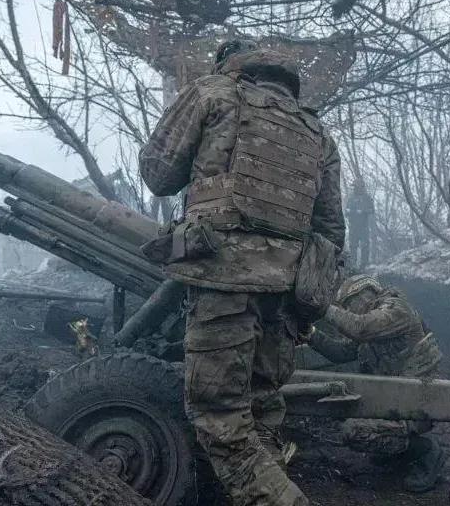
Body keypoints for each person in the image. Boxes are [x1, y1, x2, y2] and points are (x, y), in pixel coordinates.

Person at [139, 40, 345, 506]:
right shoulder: (317, 131)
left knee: (219, 413)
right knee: (262, 406)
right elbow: (331, 227)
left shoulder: (212, 93)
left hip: (223, 277)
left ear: (232, 67)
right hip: (286, 289)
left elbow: (159, 174)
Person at [307, 274, 445, 493]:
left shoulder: (396, 309)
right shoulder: (374, 322)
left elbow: (360, 328)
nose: (349, 310)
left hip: (419, 403)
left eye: (349, 304)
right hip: (397, 399)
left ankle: (426, 451)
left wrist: (322, 308)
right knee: (350, 418)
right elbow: (342, 352)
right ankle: (399, 450)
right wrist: (311, 334)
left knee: (355, 432)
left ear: (366, 294)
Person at [346, 179, 375, 268]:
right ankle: (352, 265)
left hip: (363, 227)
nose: (354, 188)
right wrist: (349, 212)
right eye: (354, 187)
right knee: (353, 246)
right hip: (353, 226)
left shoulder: (367, 198)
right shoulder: (351, 198)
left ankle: (364, 265)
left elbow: (372, 210)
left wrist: (362, 211)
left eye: (356, 187)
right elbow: (346, 210)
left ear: (361, 187)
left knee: (365, 246)